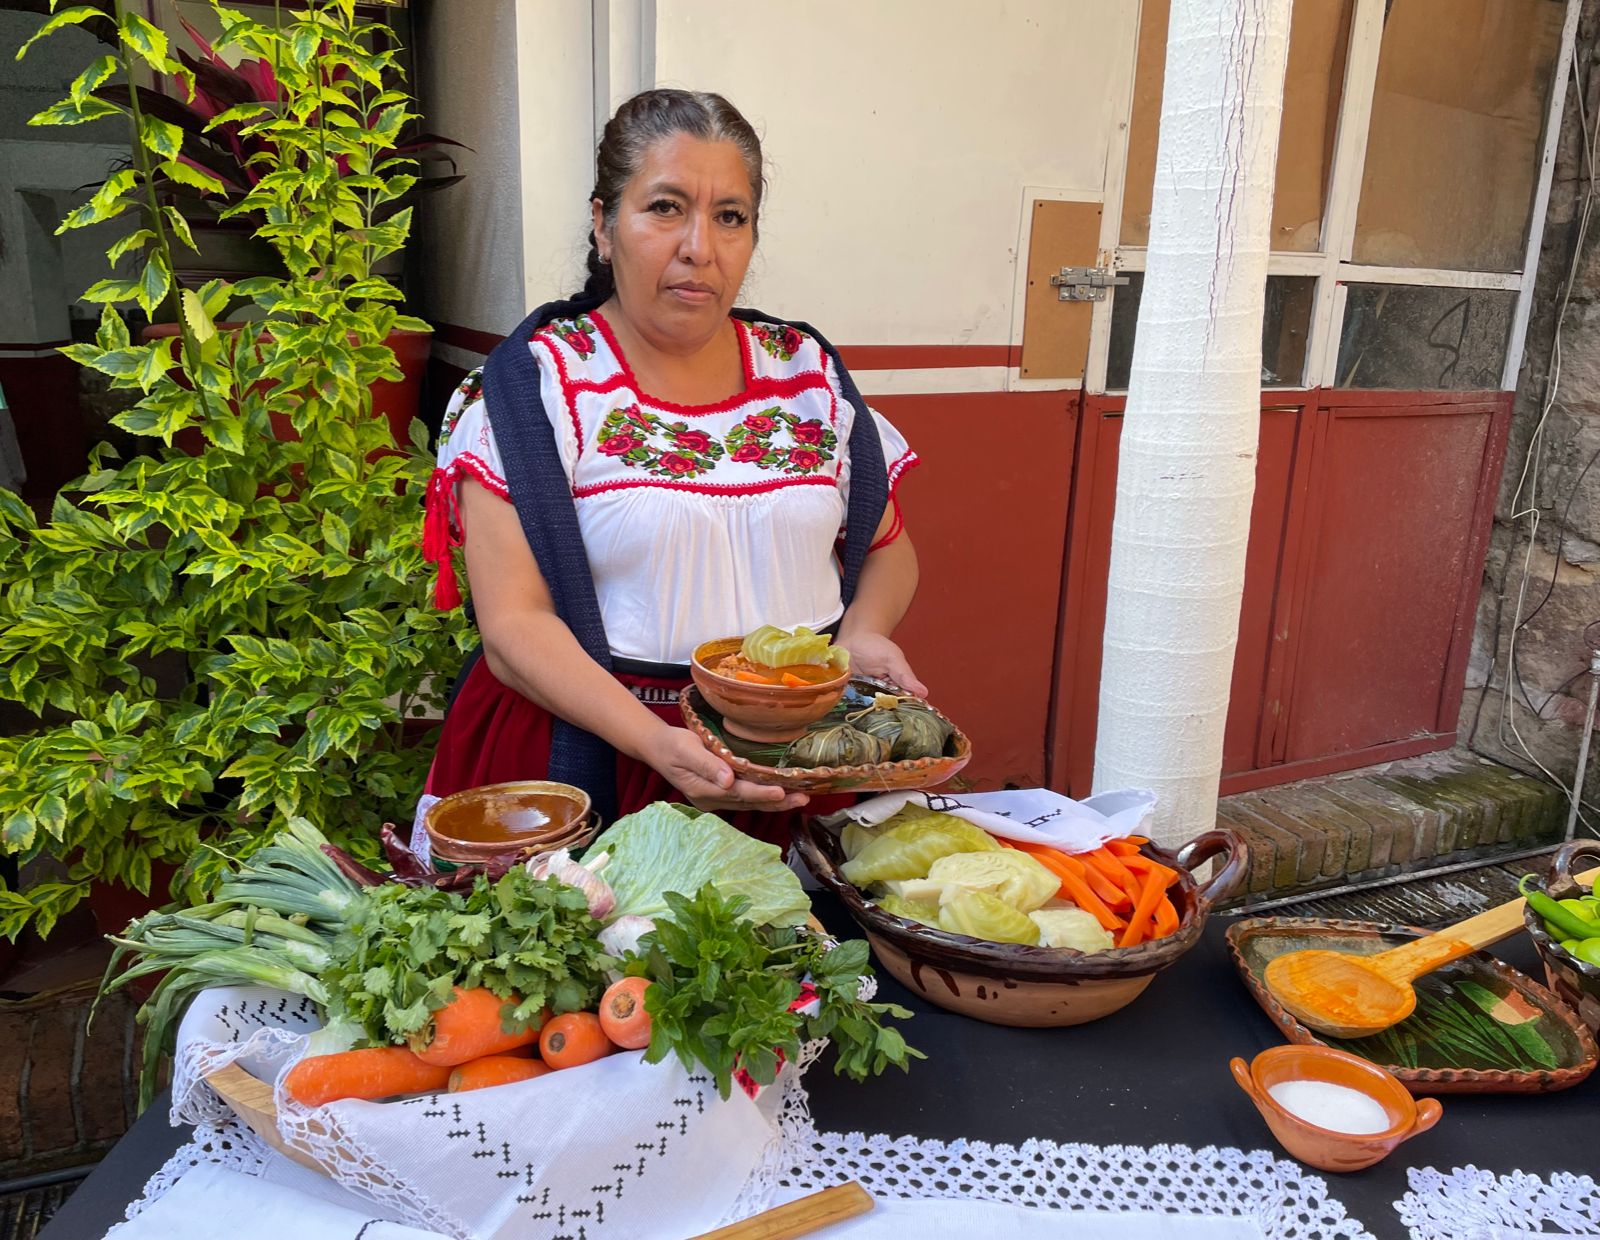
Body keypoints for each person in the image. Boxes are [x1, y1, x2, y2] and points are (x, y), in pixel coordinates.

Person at [422, 89, 922, 845]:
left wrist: (864, 633)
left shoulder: (806, 376)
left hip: (795, 759)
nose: (701, 248)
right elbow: (514, 627)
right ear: (602, 223)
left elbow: (887, 548)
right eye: (665, 208)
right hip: (594, 760)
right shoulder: (539, 391)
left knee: (806, 954)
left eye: (730, 216)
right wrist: (660, 745)